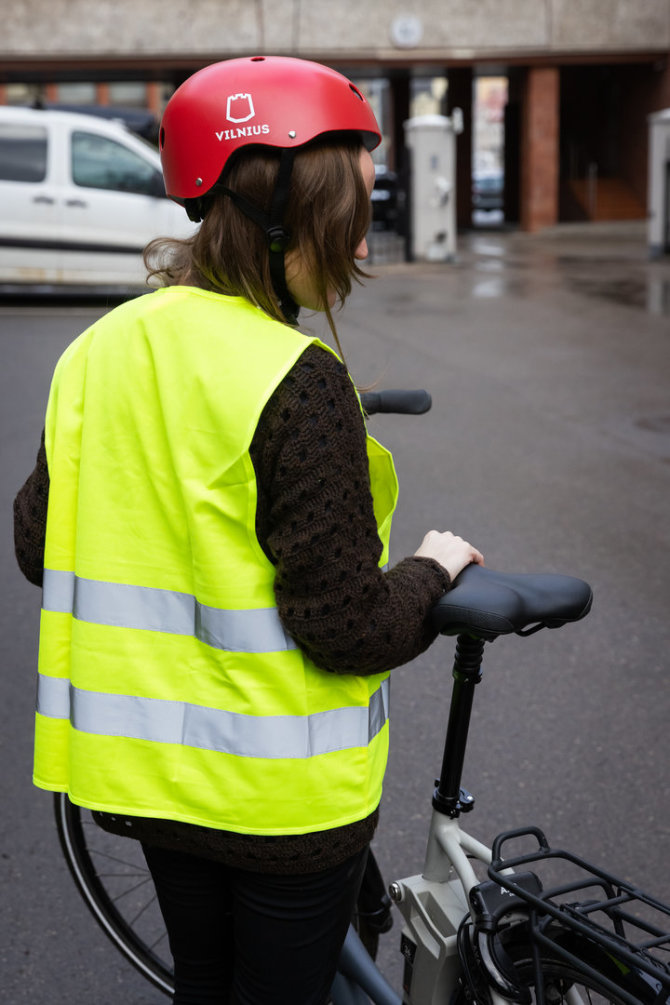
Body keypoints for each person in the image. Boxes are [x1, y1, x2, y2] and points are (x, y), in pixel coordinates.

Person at [14, 56, 483, 1005]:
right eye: (349, 219)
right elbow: (350, 626)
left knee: (206, 982)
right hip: (280, 807)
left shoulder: (96, 351)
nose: (358, 249)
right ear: (290, 217)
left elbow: (39, 545)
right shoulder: (298, 379)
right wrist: (432, 570)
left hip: (145, 783)